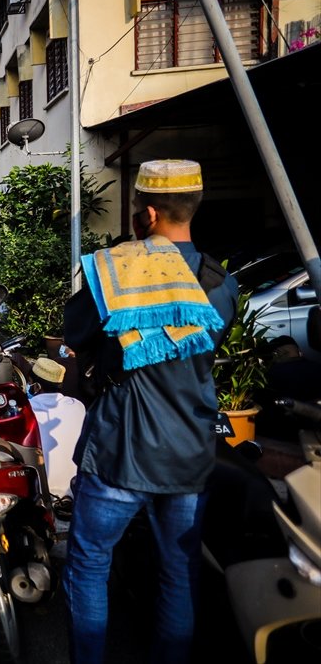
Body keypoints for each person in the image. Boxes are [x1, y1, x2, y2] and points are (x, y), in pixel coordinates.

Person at [62, 160, 238, 664]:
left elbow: (76, 335)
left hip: (122, 449)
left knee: (90, 564)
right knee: (178, 572)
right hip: (190, 450)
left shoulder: (117, 273)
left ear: (148, 213)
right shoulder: (219, 282)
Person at [27, 358, 84, 500]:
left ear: (36, 386)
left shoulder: (28, 409)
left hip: (45, 494)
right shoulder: (77, 405)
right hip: (77, 489)